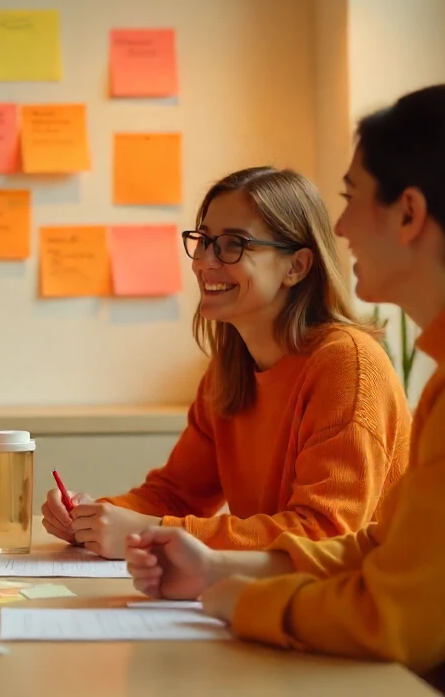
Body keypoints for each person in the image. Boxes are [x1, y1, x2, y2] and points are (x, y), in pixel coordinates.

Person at [125, 84, 445, 697]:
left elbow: (397, 620)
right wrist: (218, 567)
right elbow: (385, 547)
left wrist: (239, 599)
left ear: (409, 214)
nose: (340, 227)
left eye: (351, 198)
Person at [42, 167, 411, 559]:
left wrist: (151, 532)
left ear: (297, 267)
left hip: (366, 594)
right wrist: (94, 516)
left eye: (233, 244)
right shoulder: (229, 369)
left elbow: (322, 534)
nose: (204, 261)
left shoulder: (347, 365)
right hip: (278, 590)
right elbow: (176, 494)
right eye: (203, 241)